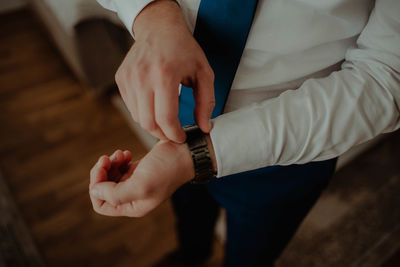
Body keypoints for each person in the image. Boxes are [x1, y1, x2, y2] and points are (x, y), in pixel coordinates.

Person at [89, 0, 400, 266]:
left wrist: (194, 158)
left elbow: (386, 77)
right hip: (177, 119)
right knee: (189, 216)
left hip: (294, 145)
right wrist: (152, 14)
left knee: (252, 255)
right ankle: (191, 255)